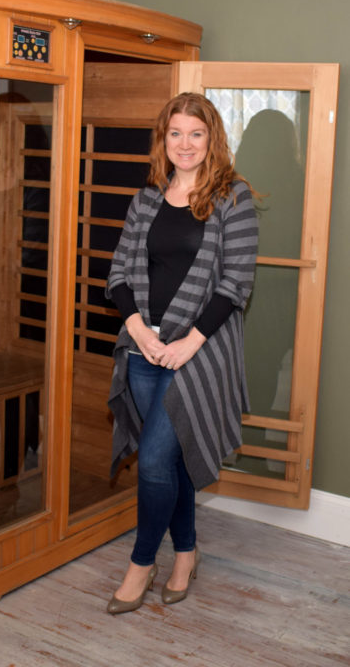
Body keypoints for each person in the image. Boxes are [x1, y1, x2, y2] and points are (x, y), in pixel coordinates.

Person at [105, 92, 258, 614]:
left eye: (196, 133)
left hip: (198, 354)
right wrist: (140, 333)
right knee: (173, 460)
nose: (185, 144)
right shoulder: (147, 198)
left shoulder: (233, 198)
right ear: (163, 139)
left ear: (212, 138)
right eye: (176, 133)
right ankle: (187, 554)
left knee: (153, 462)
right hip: (143, 350)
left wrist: (187, 344)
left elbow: (236, 283)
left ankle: (141, 564)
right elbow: (119, 273)